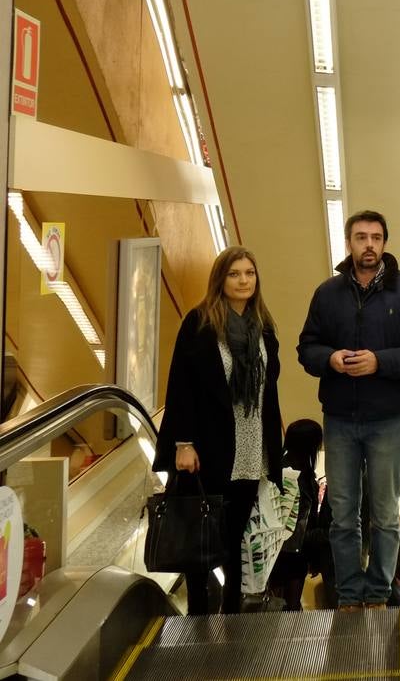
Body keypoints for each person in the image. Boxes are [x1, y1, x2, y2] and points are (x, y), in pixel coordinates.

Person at [297, 210, 400, 611]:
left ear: (385, 243)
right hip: (341, 419)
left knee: (383, 513)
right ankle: (348, 593)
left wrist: (381, 362)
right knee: (343, 515)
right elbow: (306, 349)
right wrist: (330, 359)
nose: (369, 245)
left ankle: (377, 593)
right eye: (361, 237)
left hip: (389, 421)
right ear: (349, 243)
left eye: (376, 237)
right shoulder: (327, 294)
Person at [153, 247, 285, 616]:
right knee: (200, 532)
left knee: (234, 535)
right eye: (235, 274)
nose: (244, 281)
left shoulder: (264, 327)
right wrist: (183, 443)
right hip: (209, 448)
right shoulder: (199, 323)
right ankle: (197, 614)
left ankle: (230, 612)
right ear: (220, 280)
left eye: (249, 273)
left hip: (250, 448)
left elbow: (268, 391)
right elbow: (181, 386)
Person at [268, 419, 324, 611]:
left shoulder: (281, 469)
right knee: (289, 606)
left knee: (278, 605)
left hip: (280, 551)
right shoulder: (297, 476)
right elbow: (307, 521)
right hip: (292, 552)